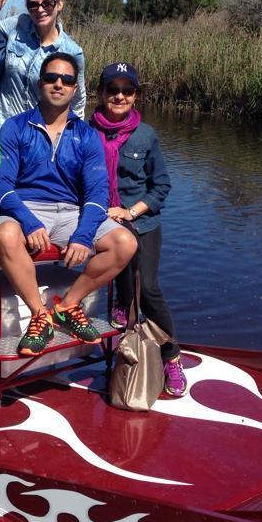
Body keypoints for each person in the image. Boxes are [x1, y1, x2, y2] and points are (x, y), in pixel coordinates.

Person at [0, 53, 137, 356]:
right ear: (39, 84)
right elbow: (2, 187)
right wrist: (29, 222)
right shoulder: (14, 128)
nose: (58, 84)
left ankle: (68, 305)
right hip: (23, 208)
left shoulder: (86, 135)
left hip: (70, 212)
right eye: (51, 78)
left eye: (67, 80)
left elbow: (97, 193)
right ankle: (39, 315)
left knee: (125, 243)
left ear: (75, 89)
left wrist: (84, 235)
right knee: (6, 234)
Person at [90, 62, 186, 397]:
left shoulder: (146, 135)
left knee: (150, 292)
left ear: (135, 95)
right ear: (100, 93)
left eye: (126, 90)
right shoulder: (87, 131)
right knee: (120, 293)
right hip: (103, 223)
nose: (119, 96)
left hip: (142, 223)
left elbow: (160, 187)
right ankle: (123, 323)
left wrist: (129, 211)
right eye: (112, 89)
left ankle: (171, 356)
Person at [0, 0, 86, 124]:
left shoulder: (72, 51)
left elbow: (78, 101)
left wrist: (72, 135)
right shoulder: (18, 24)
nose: (40, 10)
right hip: (2, 124)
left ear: (59, 4)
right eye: (33, 5)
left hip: (38, 132)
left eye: (47, 3)